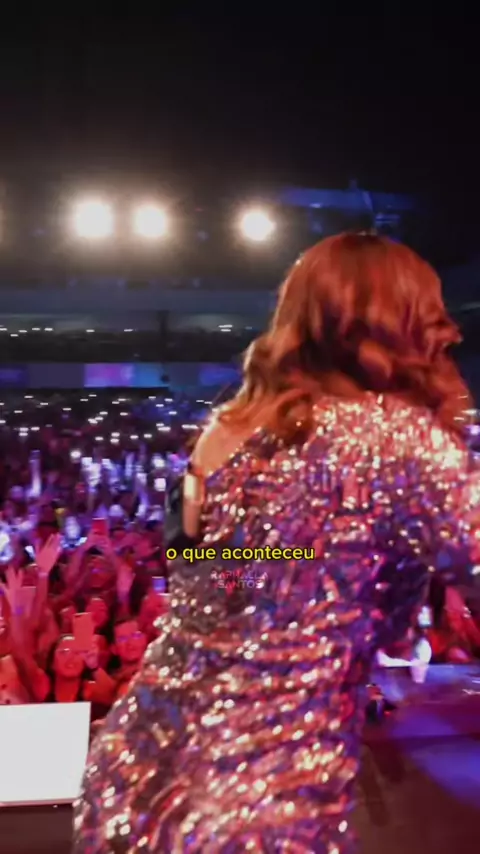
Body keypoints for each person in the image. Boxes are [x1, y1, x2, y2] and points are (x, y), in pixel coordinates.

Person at [73, 233, 480, 854]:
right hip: (255, 803)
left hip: (131, 772)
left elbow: (208, 571)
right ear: (406, 321)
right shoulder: (401, 442)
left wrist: (298, 571)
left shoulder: (223, 431)